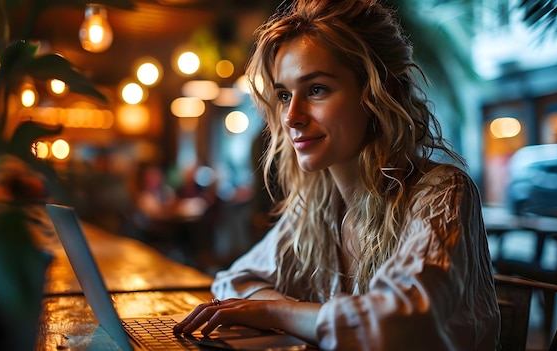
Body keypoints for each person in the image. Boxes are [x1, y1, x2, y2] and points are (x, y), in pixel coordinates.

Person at [173, 0, 500, 349]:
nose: (291, 117)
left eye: (316, 89)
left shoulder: (441, 192)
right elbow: (233, 281)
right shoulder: (319, 201)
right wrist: (297, 314)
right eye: (284, 95)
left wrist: (273, 313)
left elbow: (392, 326)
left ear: (378, 93)